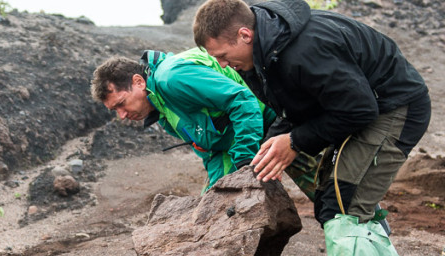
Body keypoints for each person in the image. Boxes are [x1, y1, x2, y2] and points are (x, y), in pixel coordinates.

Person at [193, 0, 437, 256]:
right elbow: (294, 108)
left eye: (223, 55)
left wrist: (296, 141)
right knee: (341, 199)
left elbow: (359, 109)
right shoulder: (262, 55)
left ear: (243, 33)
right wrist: (274, 142)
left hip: (393, 108)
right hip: (362, 106)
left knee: (343, 208)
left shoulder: (303, 48)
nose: (222, 65)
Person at [91, 48, 317, 196]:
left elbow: (243, 101)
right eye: (114, 110)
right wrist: (213, 194)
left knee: (333, 198)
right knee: (217, 204)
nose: (121, 115)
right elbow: (213, 151)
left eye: (121, 103)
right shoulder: (161, 110)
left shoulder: (172, 78)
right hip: (258, 136)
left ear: (138, 82)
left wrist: (245, 162)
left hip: (283, 124)